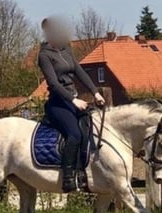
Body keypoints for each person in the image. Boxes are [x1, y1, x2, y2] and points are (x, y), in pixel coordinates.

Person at [38, 17, 106, 192]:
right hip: (58, 103)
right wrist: (73, 100)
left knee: (89, 129)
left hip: (73, 101)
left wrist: (95, 92)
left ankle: (86, 171)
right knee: (74, 134)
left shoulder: (66, 50)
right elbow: (53, 84)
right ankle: (68, 178)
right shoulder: (45, 56)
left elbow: (80, 72)